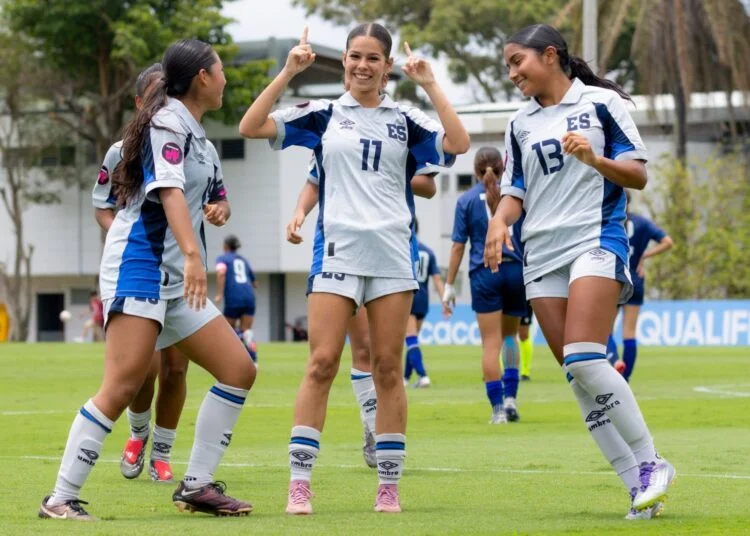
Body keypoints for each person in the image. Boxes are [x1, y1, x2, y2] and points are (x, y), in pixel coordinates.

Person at [240, 23, 468, 514]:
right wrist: (288, 71)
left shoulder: (406, 118)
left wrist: (429, 82)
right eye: (355, 56)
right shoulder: (323, 114)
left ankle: (388, 486)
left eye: (373, 58)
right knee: (322, 363)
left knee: (387, 368)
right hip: (337, 252)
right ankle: (299, 483)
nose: (362, 66)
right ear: (344, 61)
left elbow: (459, 143)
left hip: (392, 256)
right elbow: (251, 126)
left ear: (387, 66)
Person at [39, 39, 256, 521]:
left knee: (239, 370)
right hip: (139, 266)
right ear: (202, 77)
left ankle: (197, 486)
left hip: (175, 278)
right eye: (220, 70)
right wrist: (195, 256)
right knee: (123, 385)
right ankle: (59, 499)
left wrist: (218, 213)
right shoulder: (165, 124)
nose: (224, 78)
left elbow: (210, 196)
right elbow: (170, 193)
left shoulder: (196, 135)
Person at [484, 24, 675, 519]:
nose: (512, 74)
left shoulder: (601, 104)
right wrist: (499, 223)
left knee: (585, 357)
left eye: (517, 62)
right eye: (508, 66)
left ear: (550, 55)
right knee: (578, 377)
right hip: (540, 255)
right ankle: (638, 490)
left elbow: (637, 174)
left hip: (595, 238)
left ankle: (652, 463)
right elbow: (515, 192)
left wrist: (594, 158)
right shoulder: (519, 123)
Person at [91, 63, 229, 485]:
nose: (164, 103)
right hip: (141, 271)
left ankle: (163, 453)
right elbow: (103, 205)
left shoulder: (202, 147)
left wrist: (219, 210)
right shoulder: (122, 151)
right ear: (139, 103)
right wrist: (124, 237)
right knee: (141, 370)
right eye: (155, 95)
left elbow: (220, 198)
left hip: (185, 276)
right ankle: (137, 435)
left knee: (176, 370)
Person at [288, 151, 440, 469]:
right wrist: (300, 211)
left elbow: (428, 186)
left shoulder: (402, 128)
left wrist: (382, 174)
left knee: (385, 360)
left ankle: (383, 444)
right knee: (359, 349)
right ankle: (372, 430)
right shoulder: (331, 130)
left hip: (390, 249)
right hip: (343, 249)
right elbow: (314, 181)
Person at [443, 148, 526, 424]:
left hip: (485, 271)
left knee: (490, 343)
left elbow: (458, 247)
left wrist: (449, 285)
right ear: (503, 168)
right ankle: (511, 400)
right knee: (510, 337)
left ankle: (498, 409)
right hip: (515, 269)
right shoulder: (515, 197)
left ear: (476, 170)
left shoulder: (466, 200)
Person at [609, 192, 673, 380]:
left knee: (605, 330)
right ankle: (625, 379)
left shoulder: (609, 221)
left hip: (614, 278)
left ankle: (615, 362)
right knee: (629, 333)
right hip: (636, 280)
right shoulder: (642, 223)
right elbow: (668, 242)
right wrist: (644, 256)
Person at [403, 218, 444, 387]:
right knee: (412, 339)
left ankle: (423, 375)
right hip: (423, 300)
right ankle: (405, 378)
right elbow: (437, 279)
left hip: (409, 295)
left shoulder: (404, 249)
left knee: (410, 338)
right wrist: (444, 301)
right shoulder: (428, 252)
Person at [215, 235, 259, 364]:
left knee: (229, 331)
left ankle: (232, 361)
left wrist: (219, 294)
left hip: (234, 297)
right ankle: (253, 361)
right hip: (249, 297)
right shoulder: (243, 260)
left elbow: (221, 273)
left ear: (225, 246)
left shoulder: (222, 258)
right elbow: (255, 283)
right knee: (247, 331)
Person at [519, 302, 534, 381]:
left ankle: (525, 372)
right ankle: (500, 372)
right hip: (504, 297)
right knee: (505, 333)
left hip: (524, 300)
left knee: (523, 336)